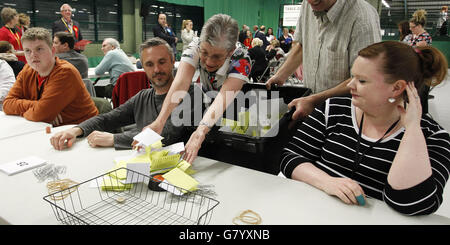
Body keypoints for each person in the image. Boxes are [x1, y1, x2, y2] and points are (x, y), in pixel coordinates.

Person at [280, 41, 449, 215]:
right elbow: (291, 157)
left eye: (361, 80)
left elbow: (410, 204)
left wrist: (412, 129)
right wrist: (327, 182)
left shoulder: (433, 137)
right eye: (353, 76)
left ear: (397, 87)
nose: (350, 85)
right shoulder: (333, 109)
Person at [141, 14, 252, 164]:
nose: (208, 61)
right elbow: (180, 83)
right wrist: (159, 122)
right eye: (204, 53)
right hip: (209, 103)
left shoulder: (241, 58)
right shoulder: (194, 46)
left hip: (236, 107)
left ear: (230, 51)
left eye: (217, 56)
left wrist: (201, 131)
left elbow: (224, 98)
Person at [50, 37, 195, 150]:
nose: (156, 69)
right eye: (149, 64)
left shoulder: (191, 92)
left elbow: (169, 135)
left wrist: (114, 139)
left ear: (173, 61)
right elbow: (107, 119)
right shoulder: (143, 97)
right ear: (142, 67)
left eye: (162, 62)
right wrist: (76, 130)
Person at [266, 0, 381, 121]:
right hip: (311, 110)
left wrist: (315, 100)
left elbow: (363, 79)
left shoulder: (362, 17)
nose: (311, 1)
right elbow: (302, 45)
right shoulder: (308, 5)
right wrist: (281, 75)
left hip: (344, 116)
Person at [2, 27, 98, 126]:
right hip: (48, 129)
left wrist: (42, 112)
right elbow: (7, 104)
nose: (33, 55)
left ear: (52, 50)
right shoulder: (27, 70)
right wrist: (39, 107)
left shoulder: (65, 72)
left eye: (39, 49)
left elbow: (40, 114)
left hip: (82, 130)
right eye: (27, 50)